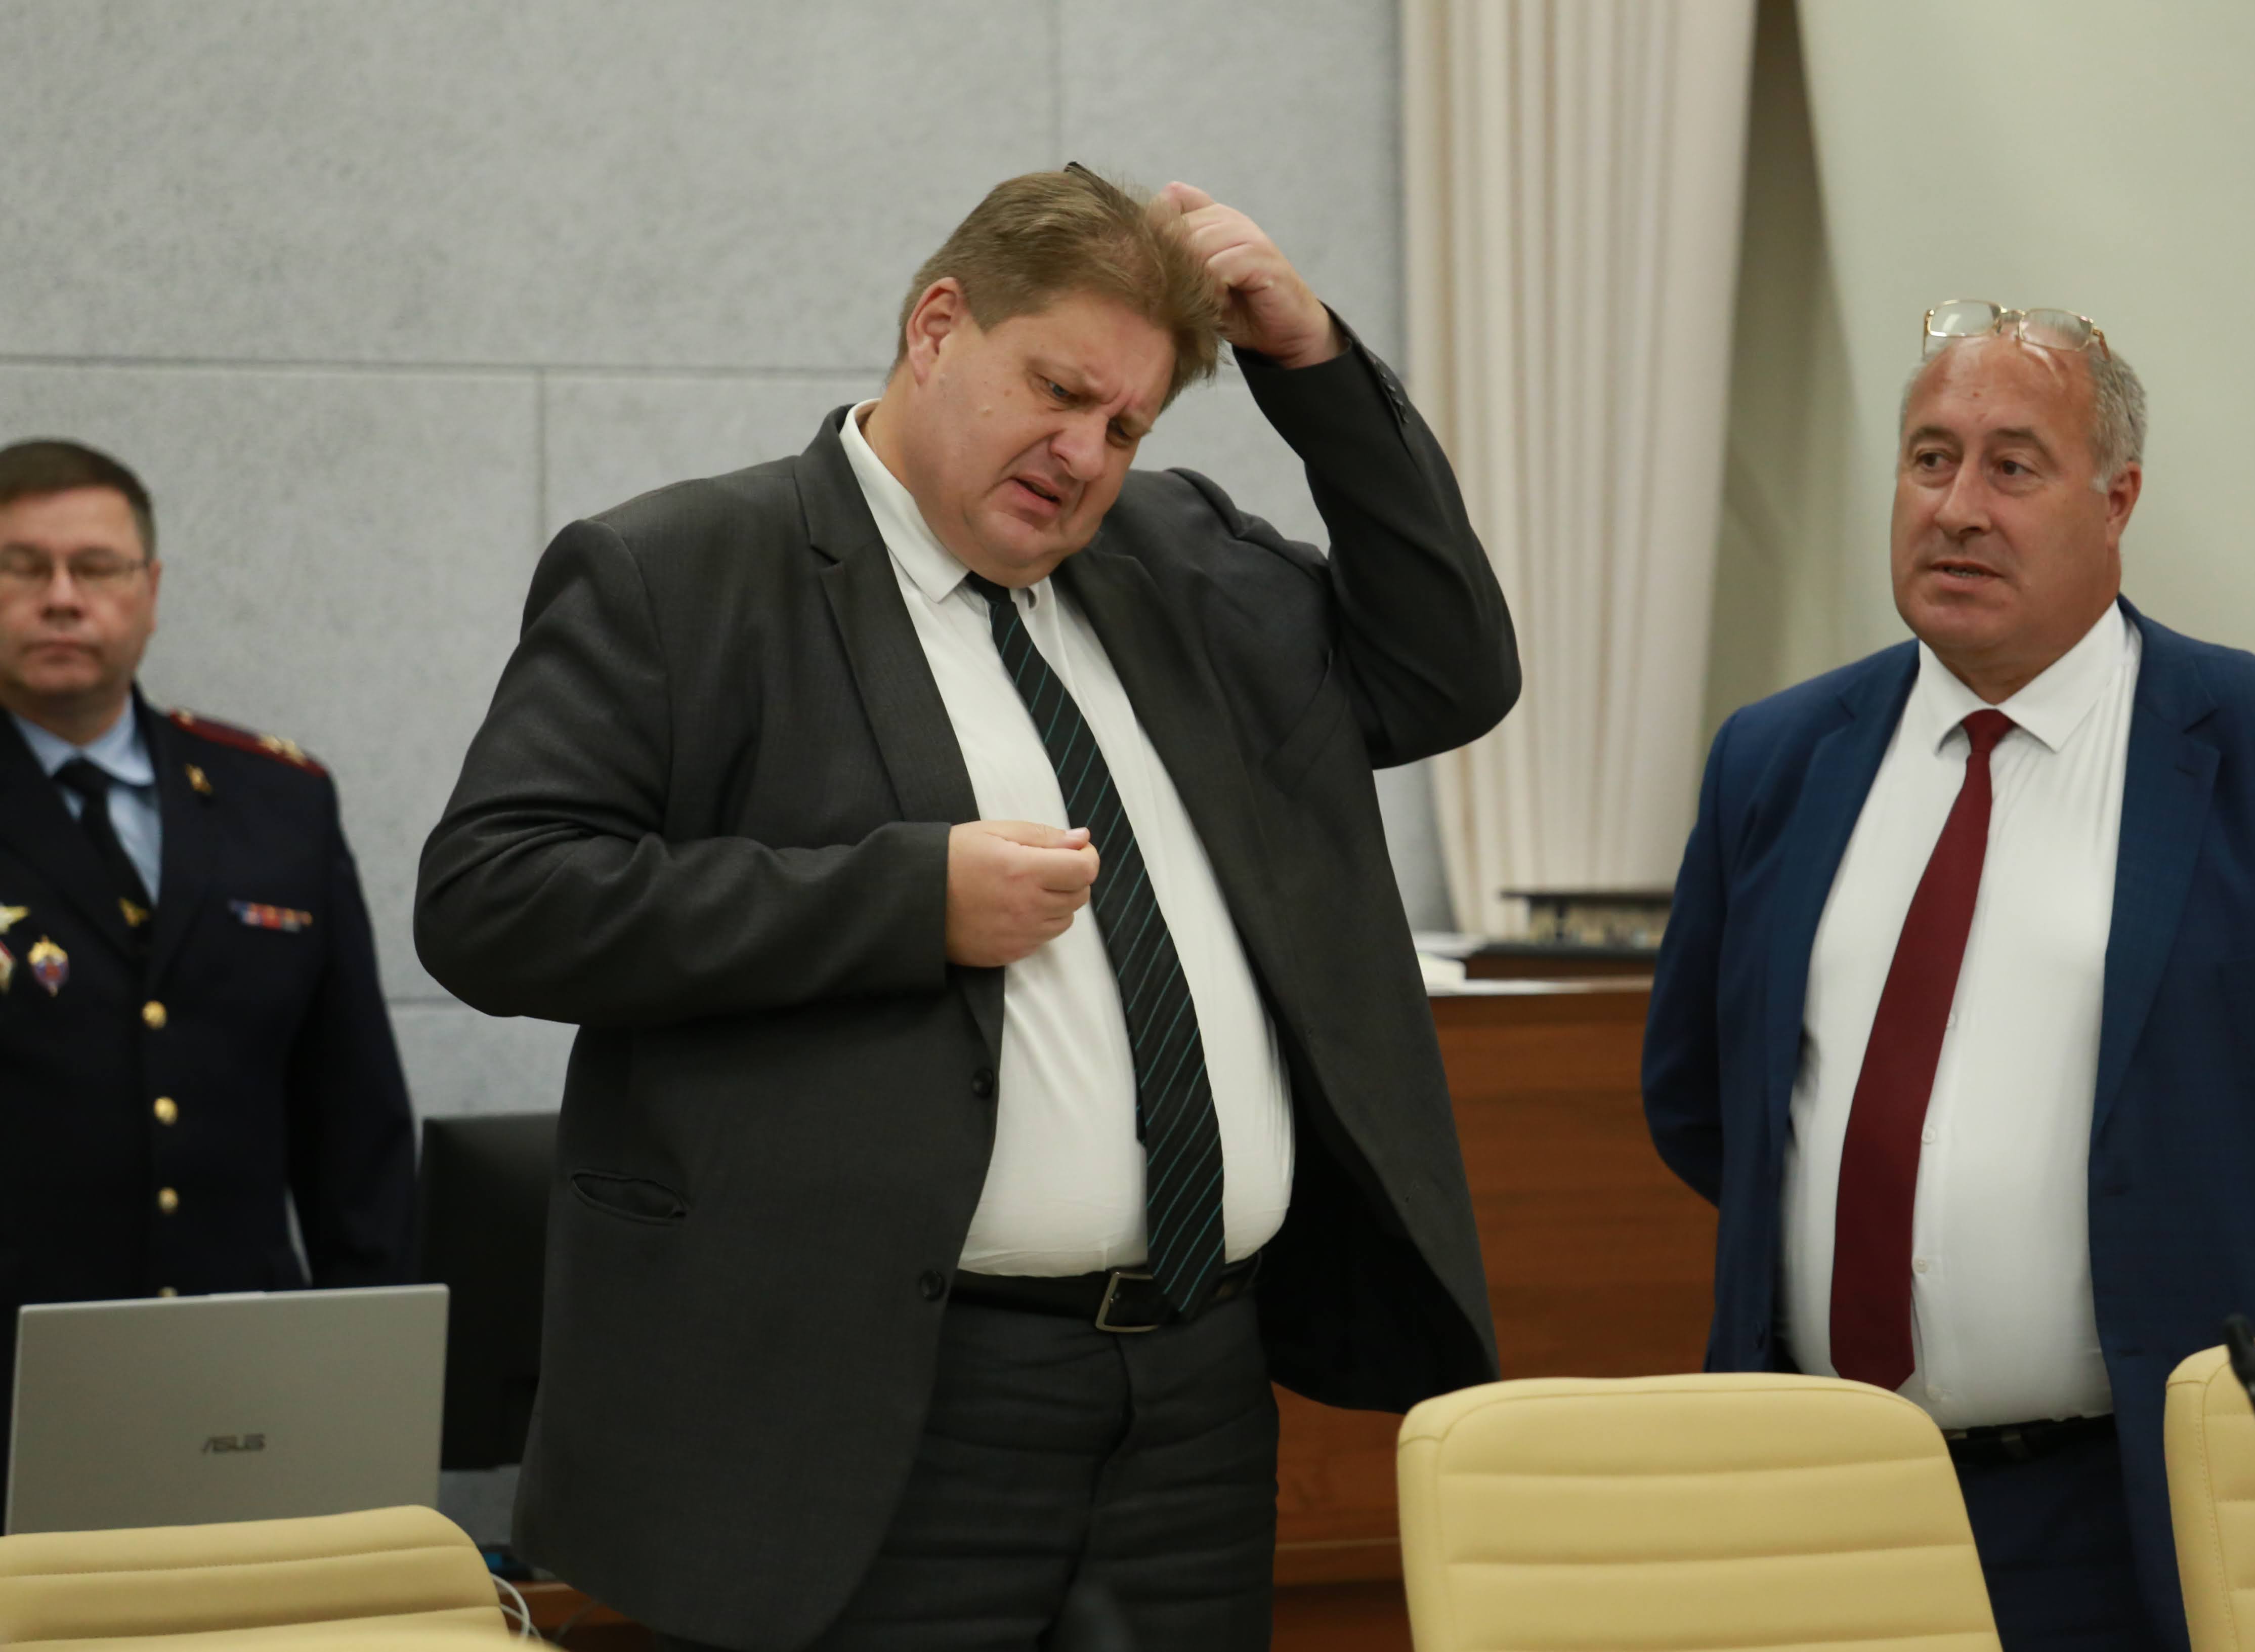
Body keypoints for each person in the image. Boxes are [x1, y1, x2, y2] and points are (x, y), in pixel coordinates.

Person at [416, 168, 1517, 1652]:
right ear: (938, 326)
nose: (1083, 456)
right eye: (1057, 391)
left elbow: (1445, 673)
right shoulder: (685, 571)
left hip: (1191, 1396)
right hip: (874, 1409)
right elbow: (493, 897)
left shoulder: (1179, 557)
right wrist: (901, 897)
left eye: (1125, 426)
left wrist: (1310, 362)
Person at [1640, 301, 2255, 1650]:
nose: (1957, 509)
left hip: (2143, 1507)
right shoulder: (1775, 757)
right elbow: (1701, 1098)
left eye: (2013, 466)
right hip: (1819, 1494)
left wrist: (2234, 1265)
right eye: (1930, 459)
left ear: (2117, 500)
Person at [0, 438, 417, 1474]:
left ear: (149, 592)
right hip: (15, 1385)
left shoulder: (278, 801)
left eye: (96, 567)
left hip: (243, 1388)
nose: (62, 598)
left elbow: (354, 1129)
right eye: (21, 566)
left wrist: (374, 1397)